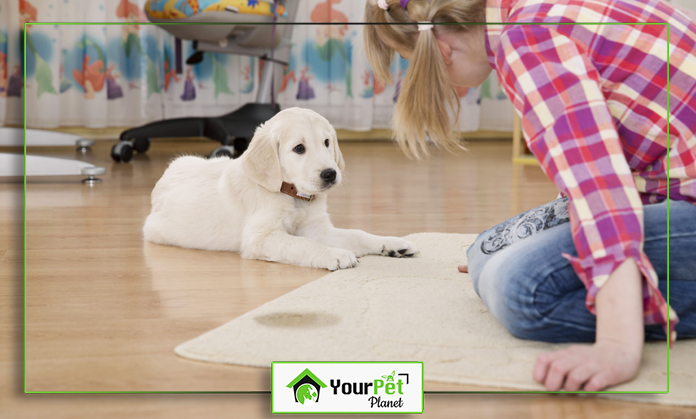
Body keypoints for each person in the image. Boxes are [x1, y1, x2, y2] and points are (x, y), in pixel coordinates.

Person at [364, 0, 696, 391]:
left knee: (518, 288)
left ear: (440, 50)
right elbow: (591, 156)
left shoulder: (527, 39)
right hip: (659, 186)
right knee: (484, 251)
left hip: (665, 196)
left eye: (408, 60)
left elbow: (600, 191)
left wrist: (617, 345)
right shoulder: (524, 12)